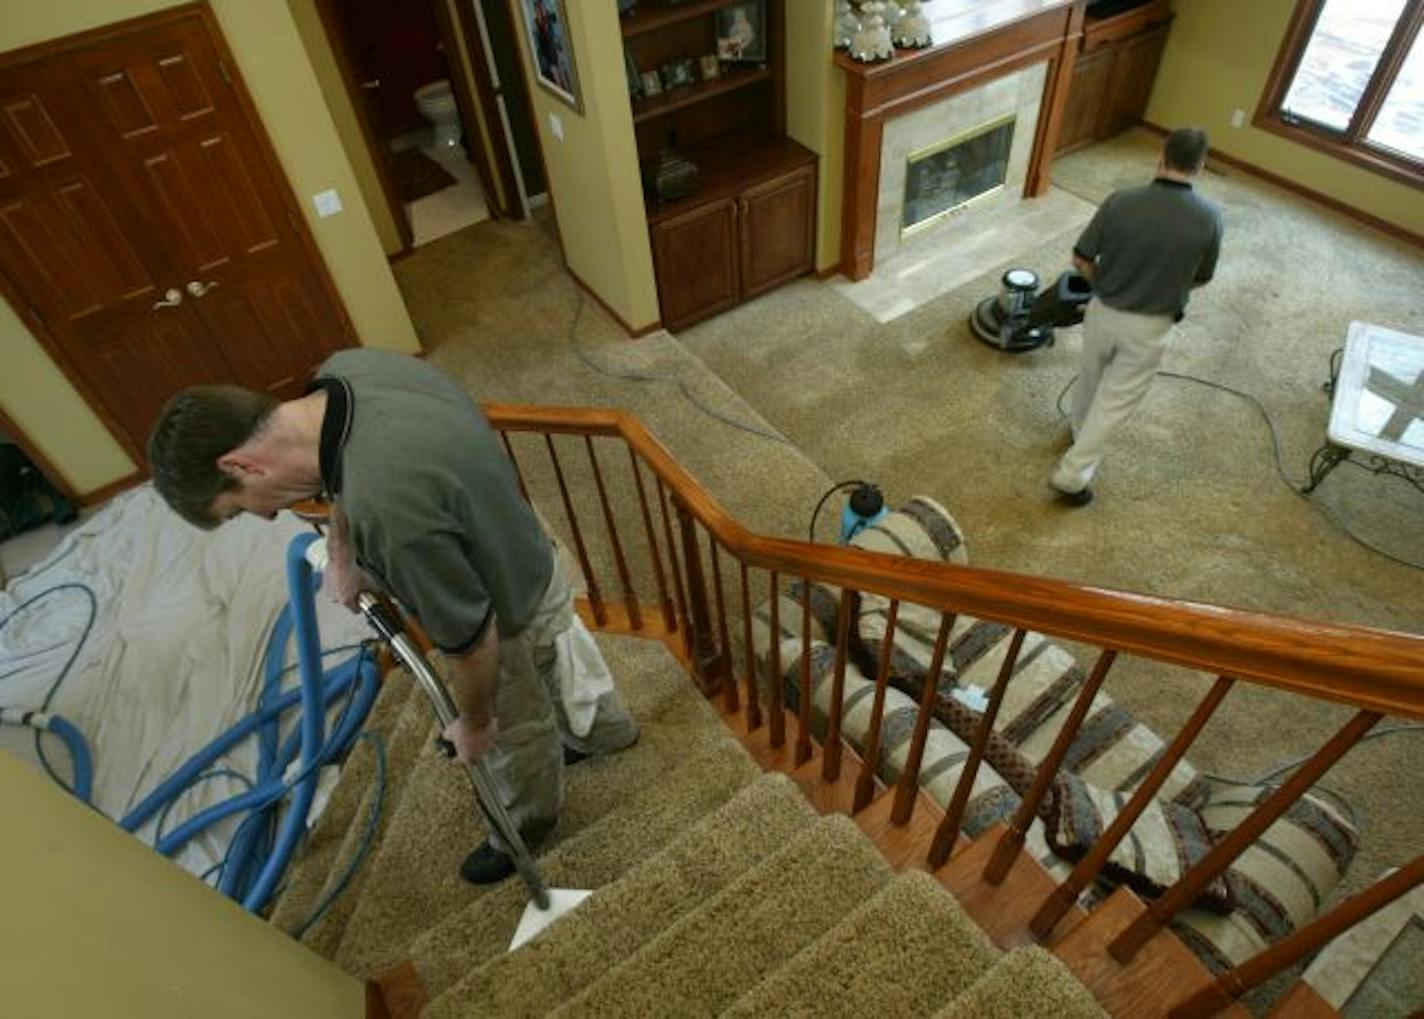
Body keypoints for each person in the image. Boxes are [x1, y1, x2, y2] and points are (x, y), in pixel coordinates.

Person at [147, 348, 640, 884]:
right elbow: (339, 471)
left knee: (513, 733)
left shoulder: (391, 513)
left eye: (240, 506)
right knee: (563, 658)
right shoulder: (351, 370)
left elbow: (473, 642)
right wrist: (342, 553)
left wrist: (475, 724)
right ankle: (607, 734)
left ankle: (525, 828)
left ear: (239, 464)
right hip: (519, 539)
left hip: (505, 606)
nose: (264, 515)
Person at [1049, 127, 1224, 506]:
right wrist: (1165, 286)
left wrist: (1102, 284)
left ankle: (1080, 431)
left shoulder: (1120, 201)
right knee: (1115, 401)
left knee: (1091, 376)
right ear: (1201, 166)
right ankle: (1072, 474)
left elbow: (1081, 258)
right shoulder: (1210, 218)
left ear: (1162, 157)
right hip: (1151, 325)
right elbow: (1202, 278)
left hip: (1102, 312)